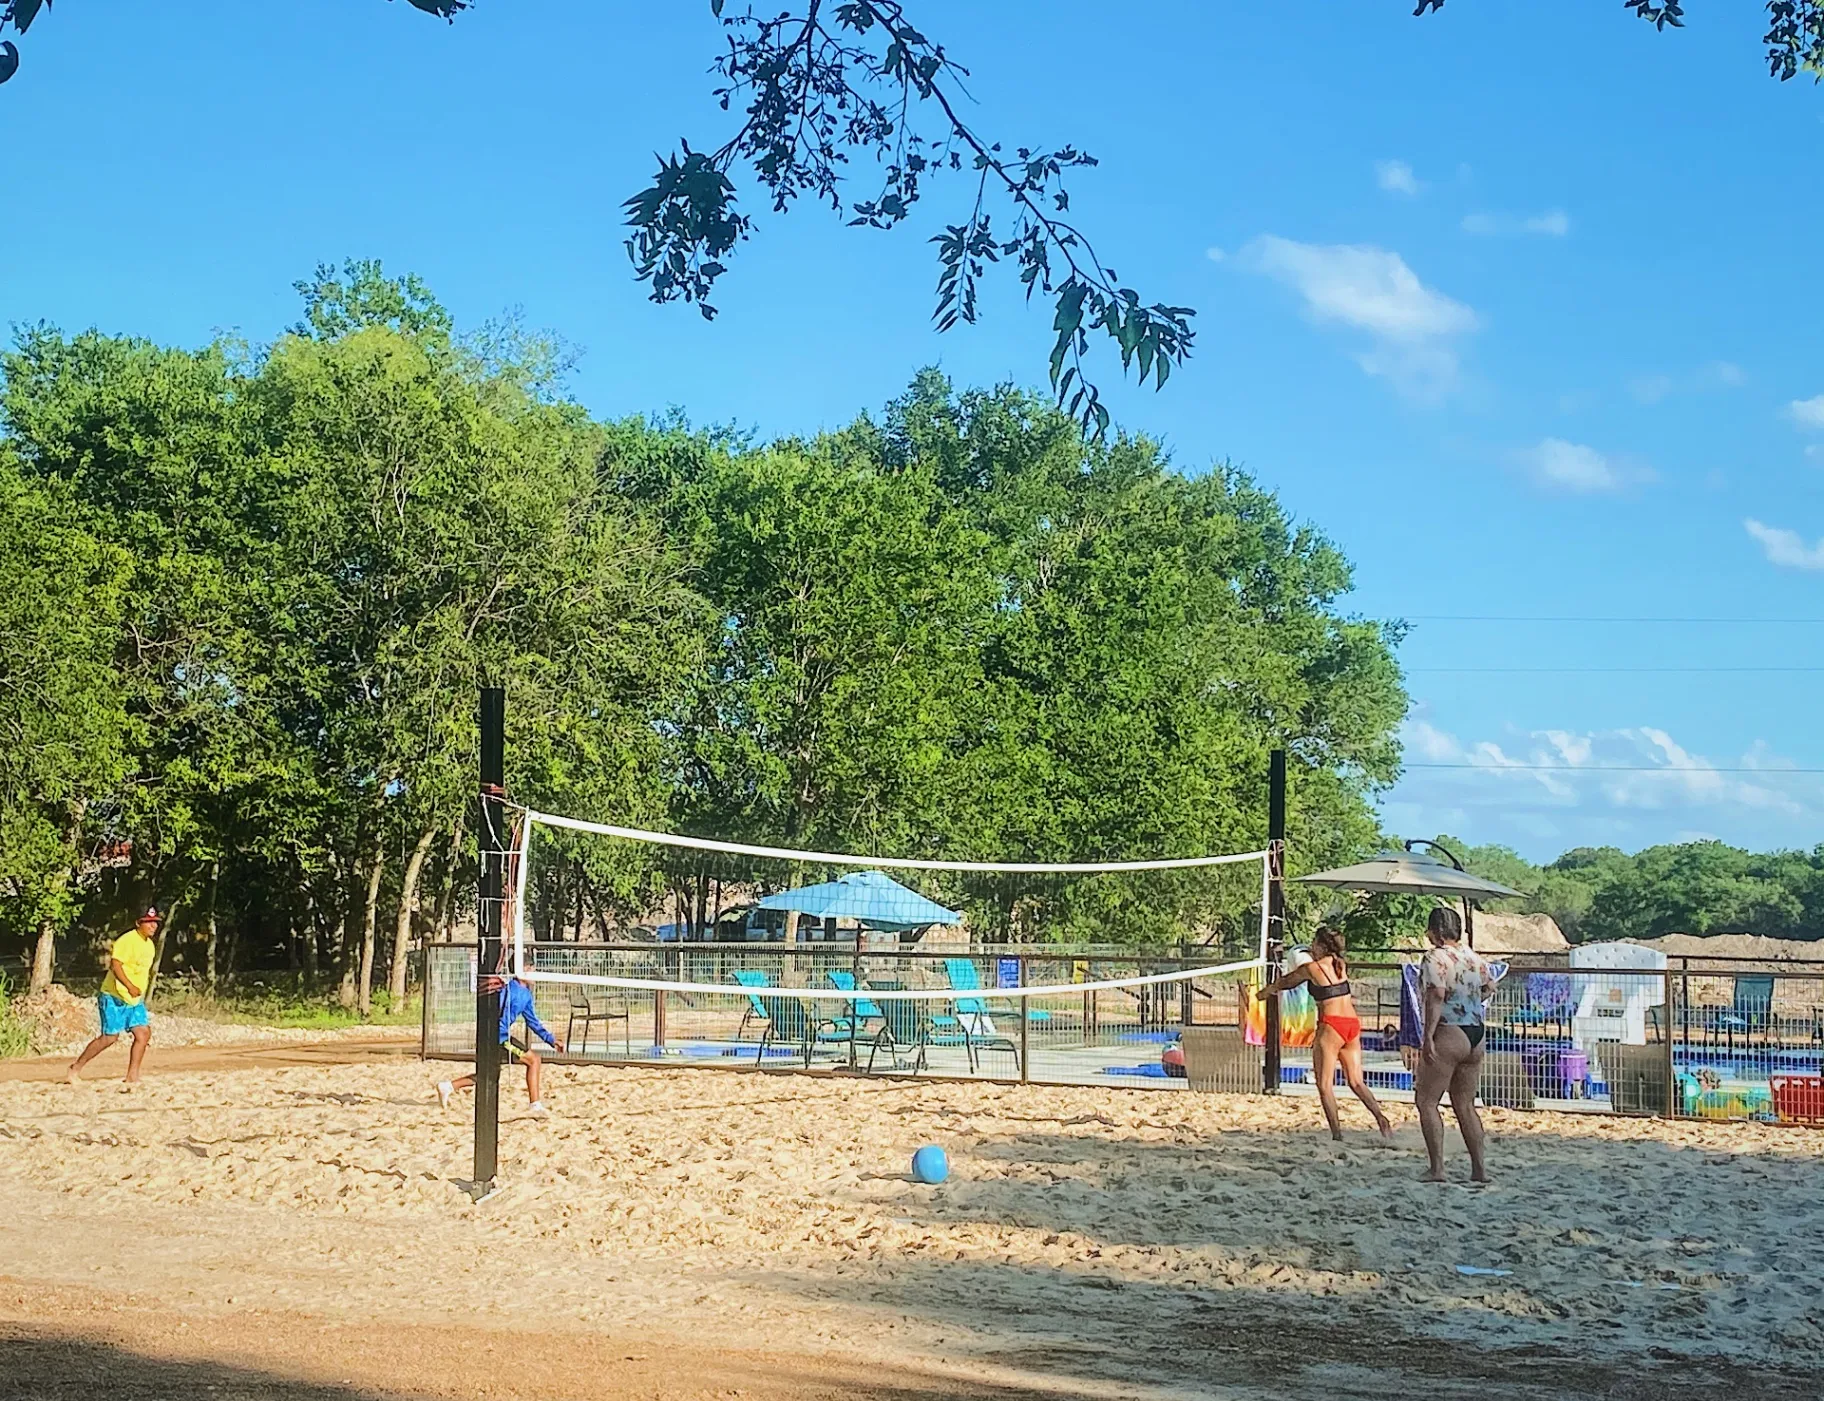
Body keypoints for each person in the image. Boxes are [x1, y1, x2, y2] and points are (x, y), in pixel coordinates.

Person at [1255, 927, 1393, 1143]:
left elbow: (1286, 981)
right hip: (1352, 1024)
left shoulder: (1313, 968)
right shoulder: (1340, 965)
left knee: (1324, 1085)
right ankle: (1380, 1118)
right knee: (1356, 1082)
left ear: (1321, 946)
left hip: (1331, 1026)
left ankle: (1337, 1135)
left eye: (1314, 943)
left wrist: (1264, 993)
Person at [1415, 905, 1498, 1184]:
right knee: (1465, 1104)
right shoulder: (1473, 957)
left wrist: (1427, 1035)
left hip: (1450, 1030)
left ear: (1435, 931)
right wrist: (1471, 1001)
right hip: (1476, 1031)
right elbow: (1490, 987)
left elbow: (1436, 995)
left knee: (1427, 1101)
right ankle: (1479, 1169)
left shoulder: (1434, 958)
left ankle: (1437, 1168)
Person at [436, 973, 565, 1117]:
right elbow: (493, 1009)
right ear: (524, 970)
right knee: (534, 1060)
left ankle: (448, 1086)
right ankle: (535, 1105)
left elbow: (532, 1022)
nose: (535, 973)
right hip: (498, 1038)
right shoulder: (507, 990)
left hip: (498, 1036)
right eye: (532, 968)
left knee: (489, 1076)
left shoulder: (526, 994)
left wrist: (551, 1040)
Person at [68, 906, 162, 1085]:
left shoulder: (149, 946)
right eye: (149, 922)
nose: (153, 926)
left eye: (155, 923)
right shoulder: (127, 940)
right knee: (109, 1038)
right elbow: (116, 965)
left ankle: (132, 1075)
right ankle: (76, 1067)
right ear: (138, 923)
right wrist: (129, 986)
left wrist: (138, 991)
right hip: (114, 995)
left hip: (134, 999)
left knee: (143, 1034)